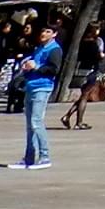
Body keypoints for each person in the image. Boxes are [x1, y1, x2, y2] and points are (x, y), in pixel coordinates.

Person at [16, 22, 62, 169]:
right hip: (31, 86)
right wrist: (27, 67)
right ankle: (29, 157)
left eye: (48, 31)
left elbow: (54, 69)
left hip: (43, 87)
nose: (44, 34)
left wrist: (38, 67)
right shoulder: (39, 48)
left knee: (37, 121)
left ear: (54, 34)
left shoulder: (54, 50)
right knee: (30, 124)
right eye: (43, 31)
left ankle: (44, 156)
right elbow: (34, 64)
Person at [60, 27, 103, 129]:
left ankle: (67, 116)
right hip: (91, 70)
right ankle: (79, 122)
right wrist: (101, 55)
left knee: (83, 95)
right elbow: (97, 57)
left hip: (81, 70)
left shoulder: (81, 42)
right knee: (85, 96)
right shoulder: (93, 44)